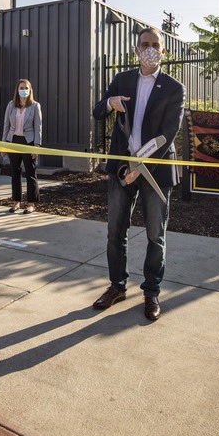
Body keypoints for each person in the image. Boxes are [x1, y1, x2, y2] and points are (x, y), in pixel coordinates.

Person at [91, 26, 184, 321]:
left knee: (156, 235)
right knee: (115, 231)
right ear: (136, 50)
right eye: (145, 44)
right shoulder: (121, 80)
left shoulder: (174, 88)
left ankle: (151, 292)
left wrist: (140, 166)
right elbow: (97, 111)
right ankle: (117, 286)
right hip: (122, 169)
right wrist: (110, 103)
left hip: (156, 171)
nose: (150, 49)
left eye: (155, 45)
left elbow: (168, 134)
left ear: (163, 51)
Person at [1, 78, 42, 214]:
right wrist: (4, 145)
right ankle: (16, 202)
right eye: (21, 88)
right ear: (17, 90)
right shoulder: (11, 105)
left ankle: (31, 203)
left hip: (28, 141)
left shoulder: (35, 106)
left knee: (30, 172)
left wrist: (36, 146)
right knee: (15, 172)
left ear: (30, 90)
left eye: (26, 88)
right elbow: (6, 125)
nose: (24, 90)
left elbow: (38, 128)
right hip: (13, 141)